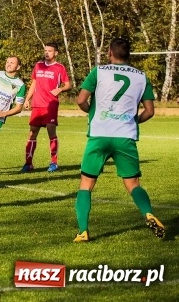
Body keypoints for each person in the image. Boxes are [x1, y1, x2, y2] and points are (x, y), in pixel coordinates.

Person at [73, 37, 164, 242]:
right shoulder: (141, 76)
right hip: (125, 136)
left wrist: (91, 112)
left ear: (109, 53)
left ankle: (83, 231)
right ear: (129, 55)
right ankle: (148, 213)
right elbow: (149, 112)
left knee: (86, 183)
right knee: (133, 183)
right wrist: (132, 122)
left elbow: (81, 100)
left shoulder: (99, 71)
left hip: (99, 134)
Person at [22, 42, 71, 173]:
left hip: (50, 104)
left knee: (51, 130)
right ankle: (28, 163)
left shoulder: (60, 67)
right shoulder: (38, 65)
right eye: (45, 50)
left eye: (49, 50)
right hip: (37, 104)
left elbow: (68, 85)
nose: (46, 52)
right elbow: (34, 83)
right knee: (32, 132)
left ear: (56, 53)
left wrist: (59, 89)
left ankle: (54, 163)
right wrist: (27, 99)